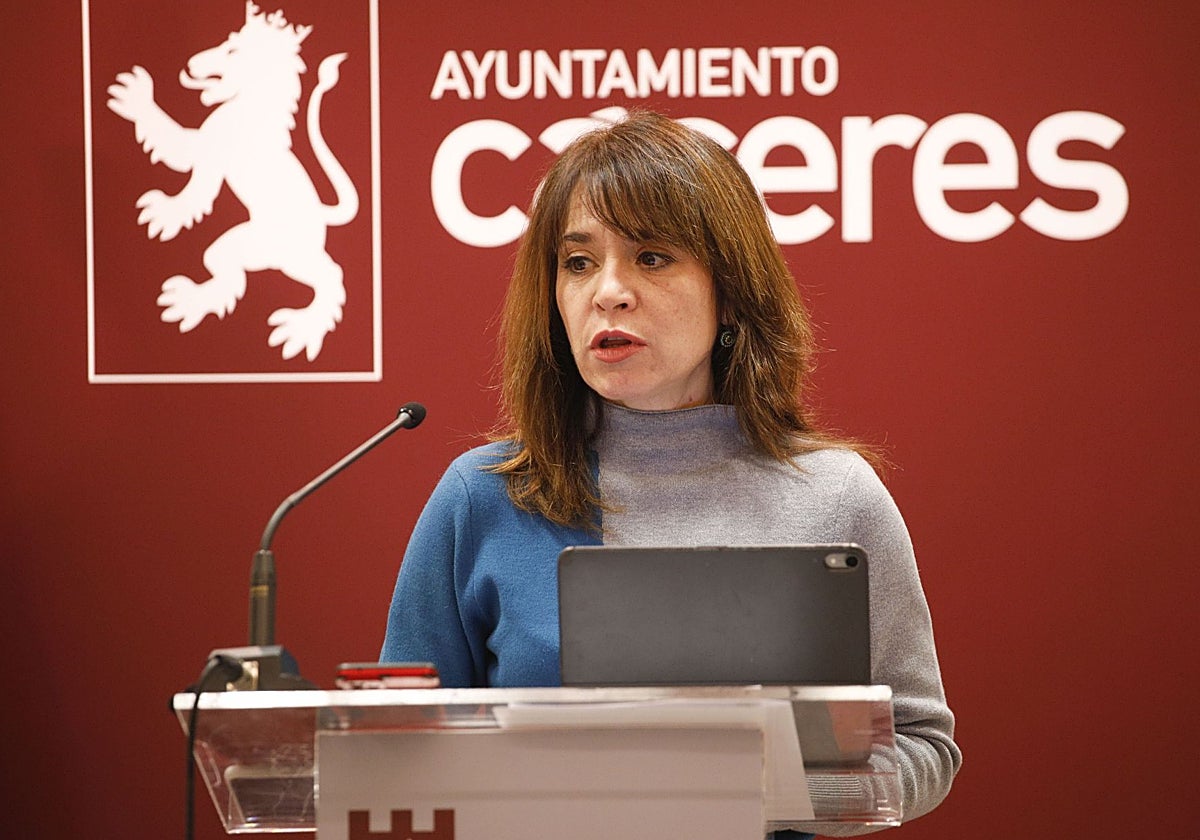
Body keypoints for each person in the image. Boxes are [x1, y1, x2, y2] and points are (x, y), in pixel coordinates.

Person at [382, 110, 960, 835]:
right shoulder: (483, 496)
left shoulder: (835, 497)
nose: (609, 291)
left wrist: (758, 789)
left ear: (730, 290)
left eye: (651, 257)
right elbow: (396, 753)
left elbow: (923, 748)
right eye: (579, 261)